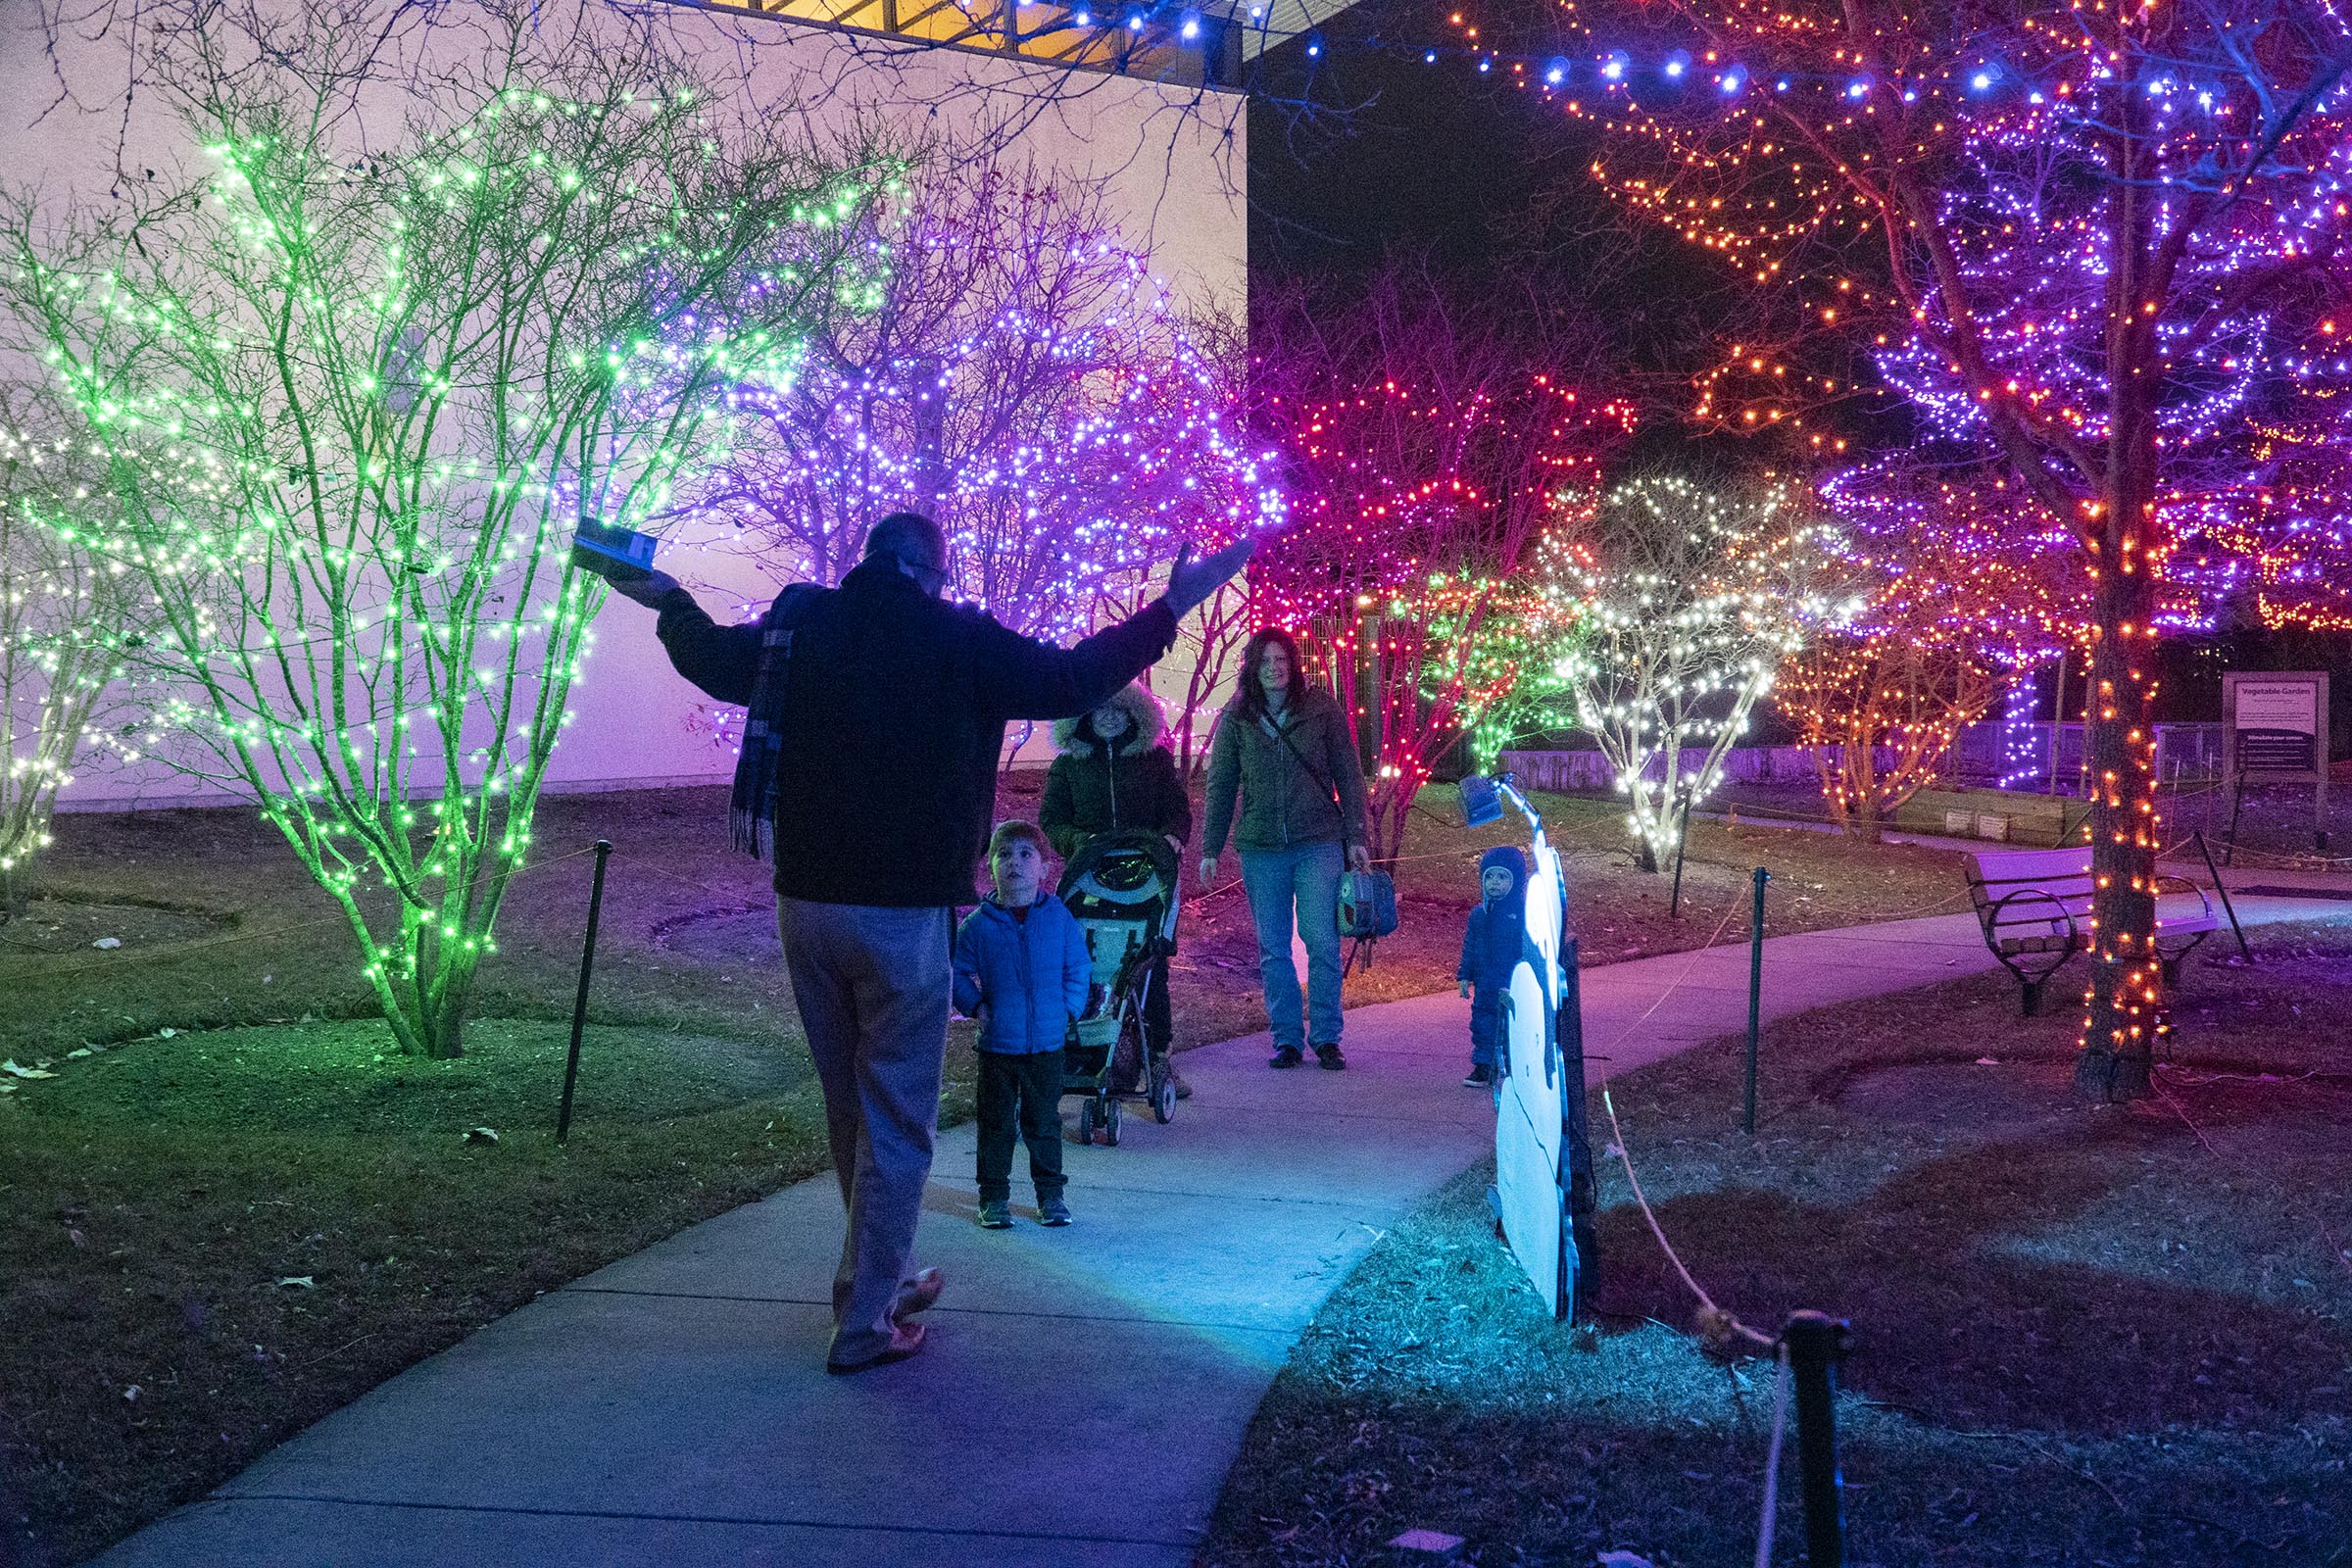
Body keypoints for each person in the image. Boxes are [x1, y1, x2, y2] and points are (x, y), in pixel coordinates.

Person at [610, 512, 1250, 1373]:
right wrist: (1168, 605)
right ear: (931, 572)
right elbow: (1071, 679)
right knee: (899, 1117)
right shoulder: (958, 636)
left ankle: (888, 1272)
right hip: (903, 916)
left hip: (807, 906)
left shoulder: (803, 622)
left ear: (870, 562)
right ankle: (867, 1322)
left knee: (853, 1107)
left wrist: (667, 597)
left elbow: (712, 662)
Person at [1197, 627, 1371, 1072]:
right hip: (1261, 846)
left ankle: (1327, 1037)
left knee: (1322, 942)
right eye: (1265, 661)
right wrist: (1211, 846)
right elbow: (1221, 785)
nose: (1275, 668)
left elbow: (1348, 774)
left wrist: (1356, 838)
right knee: (1273, 948)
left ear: (1294, 664)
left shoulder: (1321, 710)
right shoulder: (1236, 717)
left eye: (1282, 660)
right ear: (1252, 668)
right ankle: (1287, 1040)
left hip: (1318, 842)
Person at [1040, 681, 1193, 1096]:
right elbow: (1052, 818)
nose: (1108, 715)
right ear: (1084, 715)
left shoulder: (1153, 760)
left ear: (1133, 715)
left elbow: (1177, 809)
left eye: (1118, 709)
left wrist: (1173, 836)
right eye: (1099, 708)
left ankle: (1158, 1056)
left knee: (1149, 968)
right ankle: (1083, 1051)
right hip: (1090, 879)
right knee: (1085, 965)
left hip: (1147, 882)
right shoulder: (1069, 764)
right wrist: (1076, 842)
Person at [953, 821, 1089, 1230]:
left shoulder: (1059, 918)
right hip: (998, 1046)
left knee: (1044, 1122)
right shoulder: (979, 925)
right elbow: (957, 971)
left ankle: (1051, 1196)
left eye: (1026, 854)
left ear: (1045, 868)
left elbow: (1077, 966)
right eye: (1004, 854)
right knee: (996, 1124)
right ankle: (993, 1198)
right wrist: (975, 1006)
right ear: (990, 866)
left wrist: (1068, 1008)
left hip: (1047, 1044)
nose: (1015, 863)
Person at [1457, 846, 1530, 1088]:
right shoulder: (1479, 914)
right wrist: (1464, 975)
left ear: (1515, 880)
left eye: (1502, 877)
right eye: (1489, 877)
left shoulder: (1522, 914)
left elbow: (1528, 949)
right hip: (1485, 982)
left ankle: (1514, 1065)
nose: (1494, 883)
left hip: (1512, 983)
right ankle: (1483, 1064)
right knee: (1483, 1022)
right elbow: (1470, 946)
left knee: (1513, 1024)